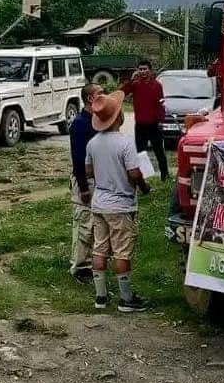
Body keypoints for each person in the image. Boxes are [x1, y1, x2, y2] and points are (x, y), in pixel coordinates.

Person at [86, 90, 151, 312]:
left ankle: (101, 297)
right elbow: (134, 173)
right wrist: (143, 187)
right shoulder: (125, 143)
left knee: (100, 249)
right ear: (119, 116)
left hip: (99, 203)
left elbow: (88, 172)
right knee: (122, 252)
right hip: (121, 204)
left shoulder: (93, 143)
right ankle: (126, 299)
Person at [68, 83, 101, 284]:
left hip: (97, 179)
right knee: (84, 224)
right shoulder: (81, 124)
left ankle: (90, 262)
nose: (104, 96)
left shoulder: (97, 121)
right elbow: (78, 157)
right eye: (100, 94)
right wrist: (83, 186)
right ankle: (80, 266)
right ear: (90, 98)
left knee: (94, 224)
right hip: (85, 180)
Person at [120, 59, 168, 181]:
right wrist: (131, 79)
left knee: (159, 151)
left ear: (150, 70)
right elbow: (122, 92)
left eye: (145, 69)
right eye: (140, 69)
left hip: (154, 124)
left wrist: (161, 121)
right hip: (140, 125)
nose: (143, 71)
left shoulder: (157, 85)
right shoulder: (135, 84)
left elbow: (161, 104)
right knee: (140, 153)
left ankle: (165, 175)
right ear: (138, 71)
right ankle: (142, 177)